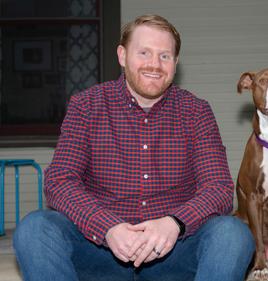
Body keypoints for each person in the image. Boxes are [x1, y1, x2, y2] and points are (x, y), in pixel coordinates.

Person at [13, 14, 254, 281]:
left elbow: (218, 189)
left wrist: (174, 223)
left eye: (165, 56)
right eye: (144, 53)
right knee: (35, 228)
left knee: (233, 234)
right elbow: (60, 180)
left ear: (175, 63)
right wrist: (108, 228)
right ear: (122, 55)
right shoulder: (87, 106)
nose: (155, 64)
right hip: (99, 251)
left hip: (174, 253)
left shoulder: (196, 111)